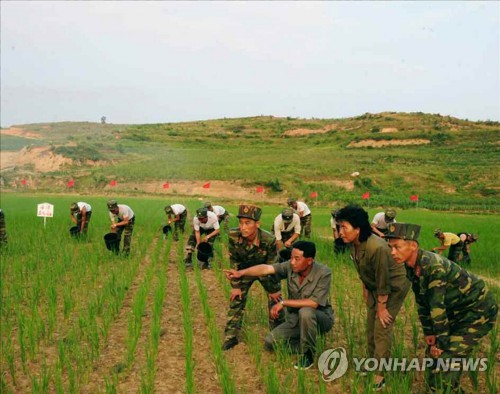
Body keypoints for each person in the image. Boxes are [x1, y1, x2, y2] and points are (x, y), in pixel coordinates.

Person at [386, 223, 497, 393]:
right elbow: (423, 301)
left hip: (477, 311)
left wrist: (442, 343)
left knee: (446, 359)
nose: (392, 252)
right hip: (457, 309)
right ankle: (445, 388)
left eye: (397, 247)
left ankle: (444, 388)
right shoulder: (411, 265)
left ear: (413, 245)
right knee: (435, 358)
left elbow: (437, 309)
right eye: (390, 247)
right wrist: (429, 333)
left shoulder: (433, 267)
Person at [224, 240, 334, 370]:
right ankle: (307, 341)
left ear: (309, 261)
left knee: (306, 311)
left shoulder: (323, 272)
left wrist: (283, 303)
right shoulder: (290, 266)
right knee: (271, 342)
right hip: (296, 319)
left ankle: (308, 354)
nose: (292, 261)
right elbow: (265, 269)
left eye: (296, 259)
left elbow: (313, 303)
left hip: (320, 319)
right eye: (291, 257)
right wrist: (240, 273)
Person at [335, 205, 410, 391]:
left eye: (344, 227)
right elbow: (364, 270)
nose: (340, 232)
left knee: (381, 327)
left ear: (358, 228)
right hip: (375, 285)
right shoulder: (354, 244)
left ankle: (380, 374)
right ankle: (371, 363)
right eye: (339, 227)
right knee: (370, 326)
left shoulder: (377, 247)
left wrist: (382, 306)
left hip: (393, 286)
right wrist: (366, 290)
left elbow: (384, 279)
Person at [221, 204, 284, 351]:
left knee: (276, 300)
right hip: (243, 271)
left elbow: (272, 267)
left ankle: (278, 336)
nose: (243, 227)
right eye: (241, 223)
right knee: (236, 299)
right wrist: (236, 286)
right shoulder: (233, 236)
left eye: (247, 223)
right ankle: (231, 336)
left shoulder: (269, 240)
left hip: (265, 271)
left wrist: (273, 290)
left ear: (257, 224)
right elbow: (234, 261)